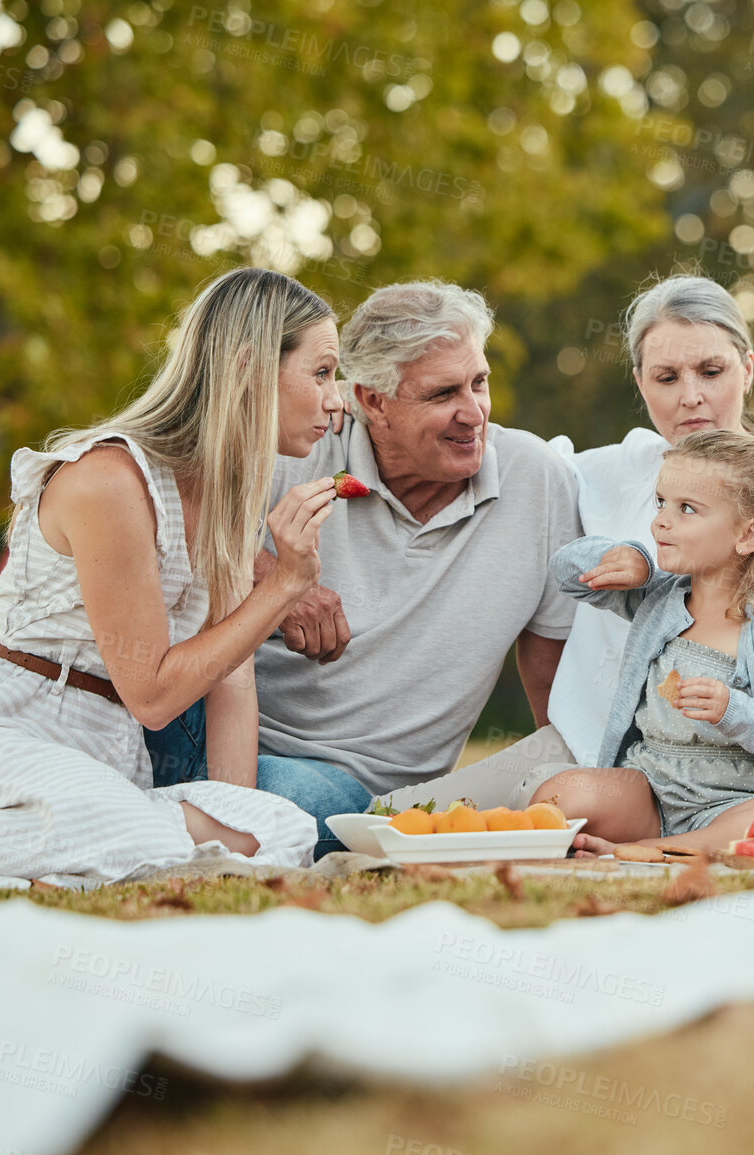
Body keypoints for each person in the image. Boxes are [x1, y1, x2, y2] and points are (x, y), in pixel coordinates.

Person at [0, 267, 340, 899]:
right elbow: (154, 696)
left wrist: (234, 833)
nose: (337, 398)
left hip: (95, 754)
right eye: (321, 372)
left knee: (279, 830)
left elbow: (232, 676)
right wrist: (283, 587)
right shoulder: (112, 480)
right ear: (247, 366)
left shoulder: (226, 494)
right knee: (132, 836)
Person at [145, 281, 583, 858]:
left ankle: (135, 815)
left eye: (480, 383)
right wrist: (276, 580)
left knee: (309, 805)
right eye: (442, 393)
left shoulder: (537, 479)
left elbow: (553, 682)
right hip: (218, 734)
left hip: (367, 794)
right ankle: (132, 812)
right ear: (372, 400)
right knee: (256, 795)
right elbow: (170, 507)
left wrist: (570, 793)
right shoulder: (298, 443)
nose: (473, 412)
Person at [544, 275, 754, 780]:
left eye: (710, 371)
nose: (691, 397)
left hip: (733, 773)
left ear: (747, 369)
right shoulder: (595, 472)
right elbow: (556, 555)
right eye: (667, 377)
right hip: (596, 751)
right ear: (640, 382)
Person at [533, 430, 754, 849]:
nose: (661, 520)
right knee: (561, 793)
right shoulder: (657, 596)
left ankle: (645, 852)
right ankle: (667, 844)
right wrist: (632, 559)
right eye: (661, 502)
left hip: (734, 805)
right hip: (651, 793)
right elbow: (567, 572)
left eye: (687, 509)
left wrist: (736, 711)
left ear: (748, 535)